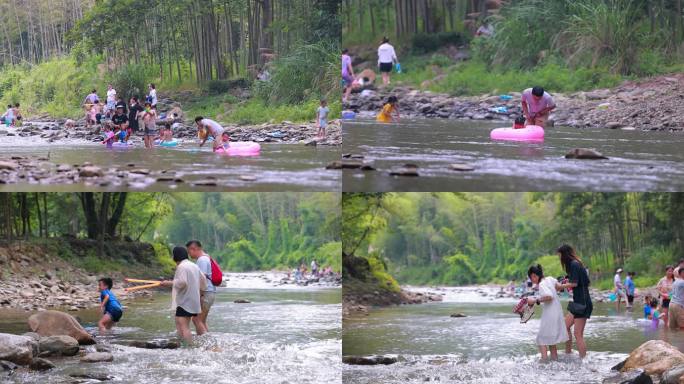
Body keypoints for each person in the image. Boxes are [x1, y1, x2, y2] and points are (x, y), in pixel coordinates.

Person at [160, 246, 207, 344]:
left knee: (183, 326)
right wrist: (201, 294)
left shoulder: (181, 266)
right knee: (179, 321)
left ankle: (188, 347)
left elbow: (182, 282)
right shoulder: (193, 265)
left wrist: (169, 283)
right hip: (193, 300)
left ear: (175, 256)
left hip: (185, 301)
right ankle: (188, 343)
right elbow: (203, 281)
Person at [556, 244, 592, 358]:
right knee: (565, 326)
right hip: (578, 302)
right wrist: (567, 280)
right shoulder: (575, 264)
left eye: (560, 255)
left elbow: (575, 283)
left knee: (578, 334)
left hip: (583, 303)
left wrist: (559, 286)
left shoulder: (574, 264)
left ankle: (583, 360)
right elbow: (584, 281)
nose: (559, 258)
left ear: (564, 254)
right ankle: (568, 353)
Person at [526, 264, 568, 361]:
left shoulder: (541, 284)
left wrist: (535, 300)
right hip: (557, 312)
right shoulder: (549, 279)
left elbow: (549, 296)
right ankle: (555, 362)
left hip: (550, 315)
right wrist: (572, 284)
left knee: (541, 340)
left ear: (534, 276)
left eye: (531, 278)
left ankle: (544, 364)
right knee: (551, 341)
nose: (532, 281)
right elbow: (559, 287)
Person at [186, 240, 214, 335]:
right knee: (201, 321)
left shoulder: (202, 260)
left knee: (196, 320)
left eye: (189, 251)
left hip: (205, 293)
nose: (189, 254)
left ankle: (208, 344)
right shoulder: (206, 257)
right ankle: (208, 344)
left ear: (193, 249)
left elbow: (202, 280)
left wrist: (200, 296)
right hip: (209, 293)